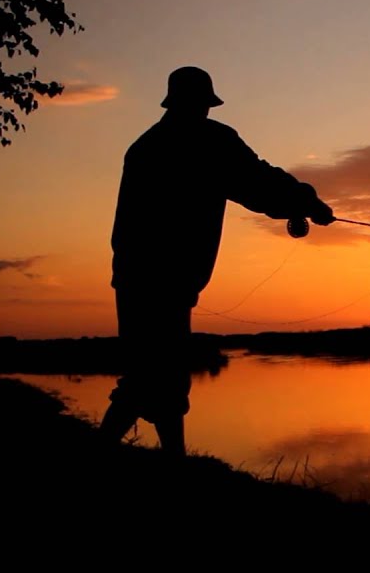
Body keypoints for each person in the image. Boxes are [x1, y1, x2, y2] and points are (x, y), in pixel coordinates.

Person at [99, 66, 335, 455]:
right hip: (167, 279)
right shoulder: (209, 141)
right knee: (153, 378)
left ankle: (170, 458)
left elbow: (255, 183)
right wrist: (308, 202)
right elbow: (257, 181)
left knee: (154, 375)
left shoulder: (144, 147)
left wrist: (301, 202)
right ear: (199, 103)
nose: (205, 110)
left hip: (132, 277)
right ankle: (124, 458)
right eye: (203, 104)